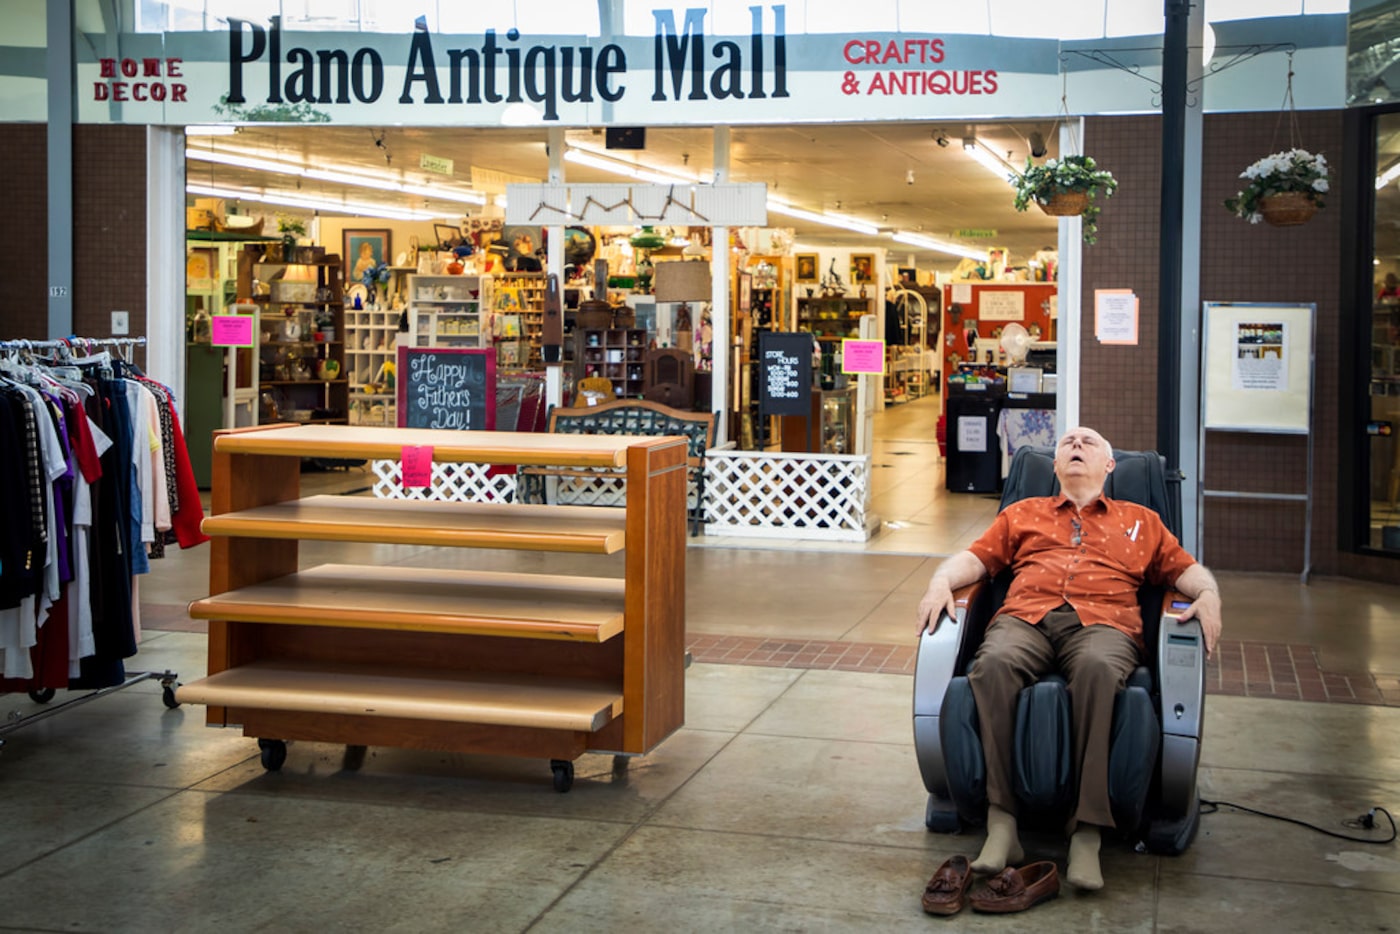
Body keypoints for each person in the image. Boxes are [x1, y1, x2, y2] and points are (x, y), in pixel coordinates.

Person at [915, 426, 1222, 892]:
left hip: (1104, 625)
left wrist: (1210, 595)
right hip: (1026, 617)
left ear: (1110, 465)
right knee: (991, 665)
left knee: (1099, 672)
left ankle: (1087, 830)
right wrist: (940, 582)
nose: (1076, 446)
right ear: (1055, 466)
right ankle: (1002, 823)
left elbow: (1186, 571)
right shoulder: (1023, 514)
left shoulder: (1141, 521)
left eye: (1089, 442)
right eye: (1067, 444)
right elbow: (975, 560)